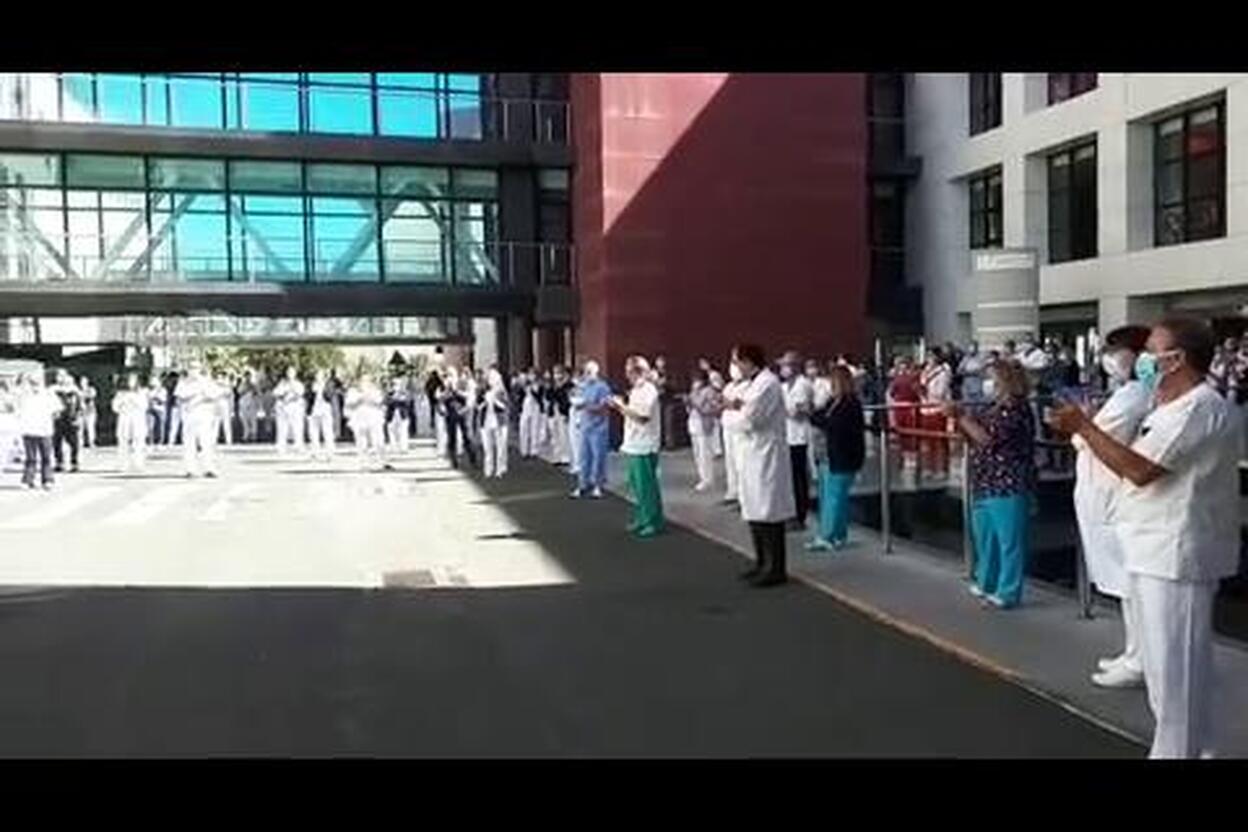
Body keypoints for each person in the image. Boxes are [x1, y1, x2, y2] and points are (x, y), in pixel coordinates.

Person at [1048, 317, 1239, 759]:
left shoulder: (1199, 408)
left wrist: (1085, 428)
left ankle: (1177, 751)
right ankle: (1198, 747)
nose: (1144, 360)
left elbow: (1140, 469)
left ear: (1177, 359)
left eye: (1153, 351)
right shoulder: (1168, 406)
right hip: (1151, 545)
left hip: (1176, 552)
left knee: (1177, 670)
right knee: (1163, 667)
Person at [1070, 325, 1153, 689]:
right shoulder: (1126, 393)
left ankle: (1141, 659)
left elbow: (1086, 438)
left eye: (1116, 350)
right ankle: (1134, 652)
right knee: (1125, 586)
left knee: (1130, 584)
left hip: (1112, 493)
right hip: (1101, 490)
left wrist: (1082, 427)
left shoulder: (1135, 394)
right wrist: (1087, 426)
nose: (1109, 358)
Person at [946, 359, 1035, 609]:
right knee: (985, 537)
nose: (987, 384)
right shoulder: (994, 407)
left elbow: (988, 439)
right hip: (985, 479)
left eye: (992, 379)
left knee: (1009, 541)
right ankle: (987, 581)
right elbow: (975, 434)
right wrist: (962, 422)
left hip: (1007, 482)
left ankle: (1008, 591)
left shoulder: (1016, 409)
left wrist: (961, 417)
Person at [723, 344, 795, 588]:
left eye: (737, 361)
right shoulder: (749, 385)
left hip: (765, 454)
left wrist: (732, 413)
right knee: (753, 508)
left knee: (768, 511)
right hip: (751, 454)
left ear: (748, 361)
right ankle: (761, 561)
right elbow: (734, 412)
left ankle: (775, 568)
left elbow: (750, 420)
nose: (735, 366)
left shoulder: (767, 384)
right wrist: (734, 411)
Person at [807, 365, 866, 551]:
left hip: (842, 456)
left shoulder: (850, 403)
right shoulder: (833, 401)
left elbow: (834, 425)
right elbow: (818, 416)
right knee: (830, 496)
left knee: (834, 498)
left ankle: (828, 535)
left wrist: (819, 419)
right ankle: (838, 534)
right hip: (827, 455)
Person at [608, 355, 664, 537]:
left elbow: (642, 417)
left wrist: (621, 407)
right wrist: (621, 407)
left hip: (645, 444)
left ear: (637, 371)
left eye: (629, 371)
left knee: (646, 485)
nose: (626, 375)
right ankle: (642, 517)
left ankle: (653, 521)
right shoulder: (636, 390)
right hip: (634, 442)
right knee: (637, 485)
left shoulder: (649, 390)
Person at [779, 350, 814, 530]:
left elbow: (800, 410)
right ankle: (790, 512)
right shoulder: (783, 386)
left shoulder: (803, 384)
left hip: (799, 437)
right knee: (789, 478)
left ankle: (800, 515)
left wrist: (788, 410)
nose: (783, 369)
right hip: (786, 436)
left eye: (785, 365)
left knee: (799, 477)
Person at [571, 360, 612, 499]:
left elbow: (603, 407)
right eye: (585, 372)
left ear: (596, 372)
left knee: (598, 457)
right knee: (584, 456)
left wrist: (587, 406)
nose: (587, 375)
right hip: (585, 426)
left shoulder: (603, 387)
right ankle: (583, 484)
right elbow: (576, 399)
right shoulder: (584, 387)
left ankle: (597, 485)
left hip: (599, 427)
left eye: (589, 372)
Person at [17, 373, 60, 490]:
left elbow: (57, 411)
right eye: (32, 382)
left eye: (36, 382)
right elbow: (17, 410)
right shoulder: (24, 395)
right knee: (30, 458)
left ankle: (47, 480)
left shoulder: (49, 395)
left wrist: (48, 419)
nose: (34, 385)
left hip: (44, 430)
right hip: (29, 430)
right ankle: (28, 480)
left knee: (46, 457)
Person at [176, 363, 219, 479]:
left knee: (206, 442)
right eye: (191, 368)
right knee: (189, 443)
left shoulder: (206, 381)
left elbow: (214, 395)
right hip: (189, 416)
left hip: (204, 415)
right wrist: (192, 396)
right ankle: (190, 469)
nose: (193, 370)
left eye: (195, 368)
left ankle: (209, 468)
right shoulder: (184, 382)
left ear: (200, 369)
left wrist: (202, 397)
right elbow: (179, 397)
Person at [686, 368, 721, 492]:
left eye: (697, 380)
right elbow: (690, 409)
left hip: (705, 426)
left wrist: (695, 403)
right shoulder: (693, 392)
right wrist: (689, 403)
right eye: (694, 380)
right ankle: (702, 477)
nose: (695, 383)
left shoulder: (709, 391)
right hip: (694, 424)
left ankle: (708, 479)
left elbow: (711, 409)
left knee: (704, 454)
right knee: (697, 454)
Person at [919, 348, 953, 477]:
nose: (930, 359)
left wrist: (926, 391)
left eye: (932, 356)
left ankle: (942, 468)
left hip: (938, 408)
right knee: (927, 441)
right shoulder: (924, 370)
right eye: (928, 356)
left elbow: (941, 391)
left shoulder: (943, 372)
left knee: (940, 440)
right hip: (925, 408)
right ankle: (928, 467)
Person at [720, 360, 748, 505]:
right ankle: (732, 491)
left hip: (740, 428)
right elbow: (723, 402)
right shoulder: (729, 386)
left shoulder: (747, 385)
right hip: (727, 426)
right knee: (730, 461)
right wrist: (729, 404)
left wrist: (731, 404)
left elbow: (739, 404)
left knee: (740, 462)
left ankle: (744, 495)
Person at [346, 372, 388, 471]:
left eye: (368, 380)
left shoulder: (375, 391)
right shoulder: (353, 391)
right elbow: (349, 405)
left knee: (377, 440)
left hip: (374, 418)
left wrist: (371, 399)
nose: (365, 382)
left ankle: (380, 461)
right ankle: (363, 462)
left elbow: (380, 403)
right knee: (361, 441)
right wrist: (360, 399)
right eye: (363, 380)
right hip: (360, 418)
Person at [112, 372, 149, 474]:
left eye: (133, 380)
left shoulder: (141, 392)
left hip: (137, 419)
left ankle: (138, 464)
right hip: (125, 418)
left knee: (139, 442)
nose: (131, 382)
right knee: (123, 442)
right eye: (129, 380)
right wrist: (123, 402)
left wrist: (134, 400)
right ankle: (122, 464)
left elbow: (144, 406)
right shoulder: (120, 393)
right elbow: (114, 407)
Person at [479, 368, 511, 478]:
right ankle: (488, 468)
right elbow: (478, 406)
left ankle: (500, 469)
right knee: (487, 447)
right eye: (490, 378)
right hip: (485, 421)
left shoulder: (501, 392)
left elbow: (505, 407)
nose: (491, 380)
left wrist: (495, 401)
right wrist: (485, 402)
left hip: (499, 421)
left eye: (493, 378)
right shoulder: (483, 390)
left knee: (500, 446)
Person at [50, 369, 82, 473]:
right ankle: (59, 462)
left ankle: (74, 463)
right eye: (59, 376)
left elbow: (80, 405)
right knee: (57, 442)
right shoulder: (53, 389)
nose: (61, 378)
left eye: (62, 376)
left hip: (71, 418)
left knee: (74, 442)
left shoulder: (74, 390)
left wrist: (78, 417)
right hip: (58, 419)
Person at [307, 370, 337, 463]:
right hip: (314, 411)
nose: (318, 377)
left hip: (325, 411)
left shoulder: (329, 384)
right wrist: (312, 392)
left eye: (320, 375)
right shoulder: (311, 385)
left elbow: (329, 396)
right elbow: (308, 397)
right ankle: (315, 452)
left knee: (327, 432)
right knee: (313, 433)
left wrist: (322, 389)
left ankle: (330, 453)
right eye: (317, 375)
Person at [547, 366, 574, 466]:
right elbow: (548, 396)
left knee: (564, 435)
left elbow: (566, 399)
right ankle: (556, 456)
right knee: (555, 435)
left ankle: (565, 456)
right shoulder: (552, 385)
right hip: (553, 412)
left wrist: (561, 387)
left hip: (563, 412)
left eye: (558, 373)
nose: (556, 376)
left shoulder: (569, 385)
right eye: (555, 373)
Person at [518, 369, 543, 459]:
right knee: (524, 428)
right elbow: (519, 396)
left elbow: (539, 397)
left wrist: (532, 389)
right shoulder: (524, 385)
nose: (531, 376)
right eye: (530, 374)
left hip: (535, 407)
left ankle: (534, 450)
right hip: (525, 407)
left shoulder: (539, 385)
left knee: (534, 428)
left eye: (533, 374)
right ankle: (524, 450)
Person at [385, 377, 413, 454]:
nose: (396, 386)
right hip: (391, 415)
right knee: (392, 431)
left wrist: (395, 399)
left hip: (403, 415)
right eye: (394, 384)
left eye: (397, 384)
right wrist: (396, 399)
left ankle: (403, 448)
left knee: (403, 431)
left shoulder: (406, 393)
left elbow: (407, 402)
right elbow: (387, 402)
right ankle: (393, 447)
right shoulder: (389, 393)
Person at [0, 378, 19, 480]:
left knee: (5, 450)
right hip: (6, 425)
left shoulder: (11, 398)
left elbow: (16, 411)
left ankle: (1, 469)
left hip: (8, 426)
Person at [238, 374, 261, 444]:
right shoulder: (242, 385)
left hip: (252, 403)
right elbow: (239, 392)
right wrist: (245, 389)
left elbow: (258, 393)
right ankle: (246, 436)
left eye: (249, 377)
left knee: (253, 421)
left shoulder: (254, 385)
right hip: (244, 403)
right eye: (246, 377)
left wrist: (254, 392)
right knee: (245, 421)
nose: (248, 378)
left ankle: (254, 436)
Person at [78, 375, 98, 449]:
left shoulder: (91, 389)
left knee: (90, 428)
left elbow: (92, 396)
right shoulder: (78, 390)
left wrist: (83, 396)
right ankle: (80, 443)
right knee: (80, 428)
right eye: (82, 381)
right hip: (81, 412)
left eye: (85, 381)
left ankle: (91, 442)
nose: (83, 383)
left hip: (90, 412)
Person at [147, 378, 166, 449]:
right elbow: (148, 400)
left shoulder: (163, 390)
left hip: (160, 410)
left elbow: (162, 401)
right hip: (151, 409)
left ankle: (159, 443)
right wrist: (153, 398)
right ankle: (151, 443)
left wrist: (155, 398)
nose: (153, 386)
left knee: (160, 427)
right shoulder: (149, 391)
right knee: (150, 427)